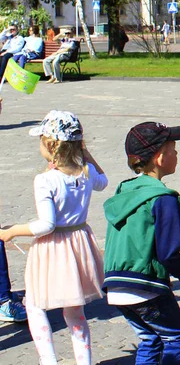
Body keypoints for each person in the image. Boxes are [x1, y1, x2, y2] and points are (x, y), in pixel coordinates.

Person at [0, 110, 107, 364]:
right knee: (75, 311)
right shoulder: (87, 172)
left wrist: (12, 231)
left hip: (52, 249)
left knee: (35, 305)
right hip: (79, 245)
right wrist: (86, 154)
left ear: (50, 145)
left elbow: (46, 224)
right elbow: (103, 181)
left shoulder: (45, 180)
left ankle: (48, 360)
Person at [103, 121, 180, 365]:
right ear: (159, 157)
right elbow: (168, 254)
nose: (177, 154)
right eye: (173, 149)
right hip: (145, 284)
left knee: (150, 338)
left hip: (115, 284)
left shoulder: (124, 189)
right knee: (175, 336)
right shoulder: (163, 198)